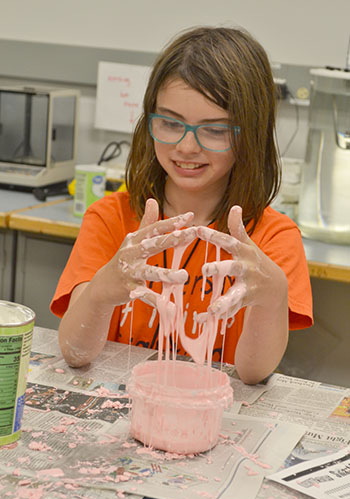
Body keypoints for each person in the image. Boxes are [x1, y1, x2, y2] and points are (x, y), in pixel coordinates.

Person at [51, 26, 313, 384]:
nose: (187, 147)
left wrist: (273, 294)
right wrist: (100, 292)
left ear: (250, 134)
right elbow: (74, 351)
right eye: (171, 123)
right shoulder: (112, 219)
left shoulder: (272, 238)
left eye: (215, 130)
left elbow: (253, 372)